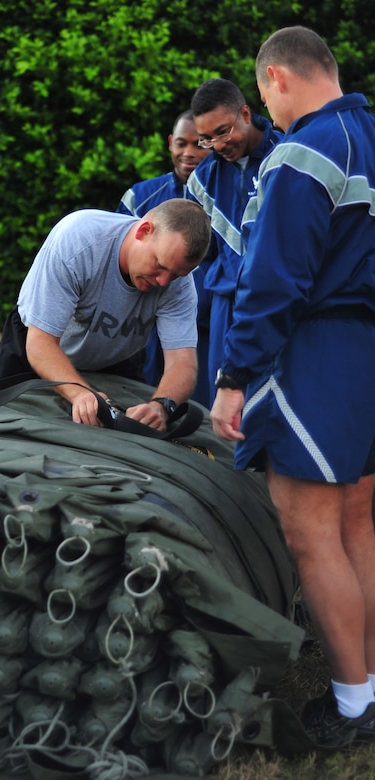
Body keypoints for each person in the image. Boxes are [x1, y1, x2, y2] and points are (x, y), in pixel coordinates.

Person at [211, 25, 375, 748]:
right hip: (366, 352)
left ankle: (352, 707)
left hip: (315, 352)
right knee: (359, 525)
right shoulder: (368, 136)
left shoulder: (303, 150)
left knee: (311, 533)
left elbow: (273, 279)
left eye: (263, 98)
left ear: (275, 78)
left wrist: (232, 376)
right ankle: (369, 685)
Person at [0, 198, 211, 430]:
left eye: (175, 275)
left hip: (116, 359)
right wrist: (80, 393)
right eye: (160, 266)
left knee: (128, 444)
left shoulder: (180, 284)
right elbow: (40, 344)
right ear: (144, 231)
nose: (163, 282)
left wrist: (161, 406)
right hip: (36, 350)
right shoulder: (79, 241)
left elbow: (183, 362)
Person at [187, 78, 282, 405]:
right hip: (226, 310)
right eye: (207, 138)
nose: (217, 144)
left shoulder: (285, 155)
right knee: (227, 406)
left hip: (280, 301)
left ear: (245, 113)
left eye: (223, 131)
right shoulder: (201, 180)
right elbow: (198, 258)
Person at [116, 110, 212, 406]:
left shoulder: (223, 200)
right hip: (144, 329)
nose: (189, 153)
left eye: (199, 145)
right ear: (170, 143)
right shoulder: (140, 196)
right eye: (181, 143)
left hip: (203, 327)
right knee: (142, 400)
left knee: (197, 409)